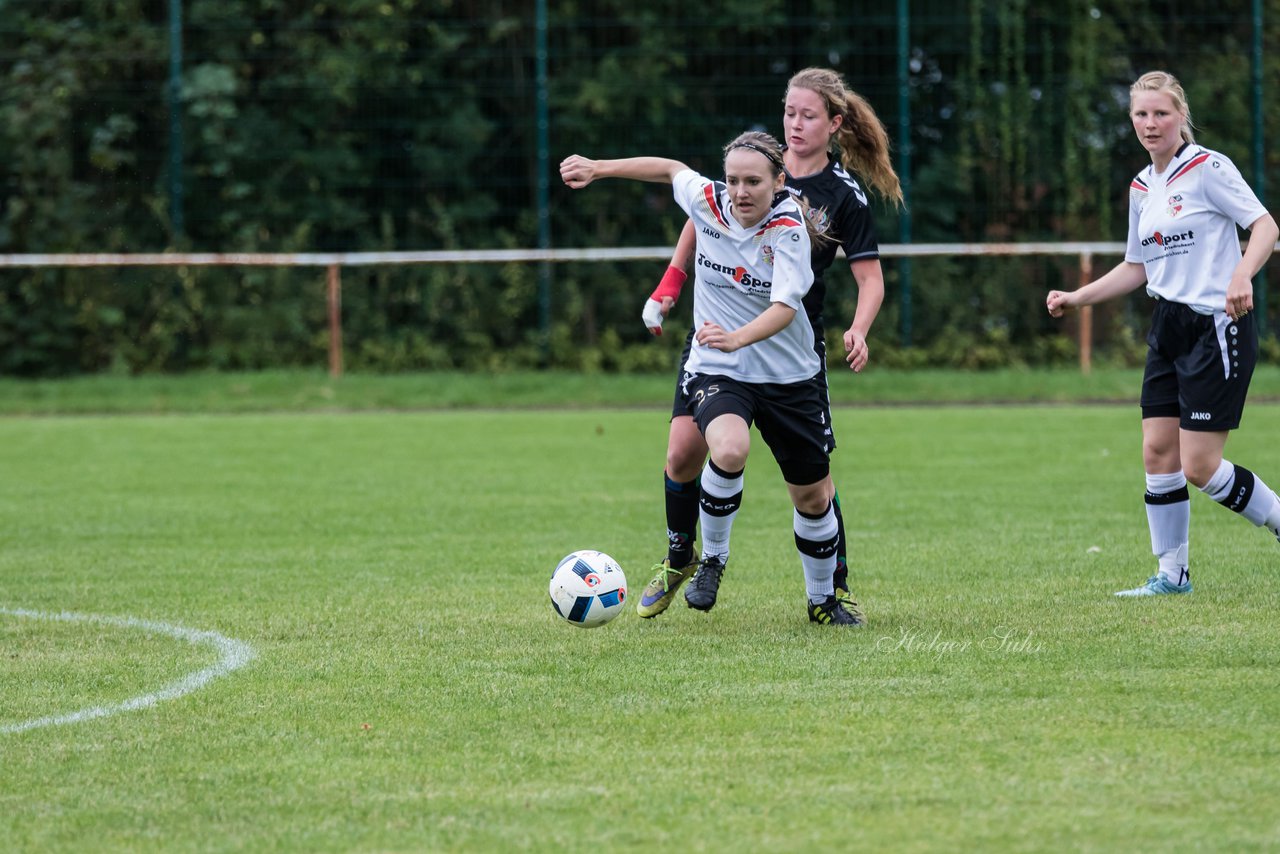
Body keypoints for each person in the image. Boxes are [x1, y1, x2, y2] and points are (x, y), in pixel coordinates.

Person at [633, 68, 903, 621]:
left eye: (808, 116)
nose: (796, 124)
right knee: (686, 452)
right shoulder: (753, 165)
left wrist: (859, 327)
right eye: (789, 112)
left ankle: (832, 590)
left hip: (786, 349)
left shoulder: (841, 197)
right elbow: (703, 215)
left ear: (835, 123)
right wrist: (670, 284)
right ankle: (680, 558)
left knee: (813, 484)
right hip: (719, 344)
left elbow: (870, 278)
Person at [560, 131, 862, 625]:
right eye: (733, 180)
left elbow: (786, 308)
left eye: (753, 182)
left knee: (812, 496)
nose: (740, 192)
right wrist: (598, 167)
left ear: (779, 182)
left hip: (790, 376)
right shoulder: (709, 201)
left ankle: (823, 599)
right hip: (719, 368)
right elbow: (669, 165)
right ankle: (711, 562)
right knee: (727, 448)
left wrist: (738, 337)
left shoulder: (787, 229)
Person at [1047, 70, 1280, 597]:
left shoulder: (1208, 168)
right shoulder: (1140, 186)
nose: (1150, 124)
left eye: (1161, 114)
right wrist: (1076, 298)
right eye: (1141, 115)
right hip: (1168, 327)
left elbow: (1265, 226)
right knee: (1158, 452)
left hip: (1216, 326)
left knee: (1200, 467)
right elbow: (1137, 266)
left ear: (1181, 117)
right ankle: (1172, 575)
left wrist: (1241, 273)